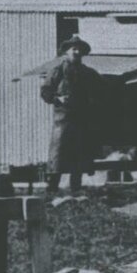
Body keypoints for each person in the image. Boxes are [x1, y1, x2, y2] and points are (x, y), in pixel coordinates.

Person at [39, 35, 100, 192]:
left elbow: (101, 87)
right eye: (74, 49)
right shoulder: (57, 70)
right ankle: (52, 189)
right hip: (63, 118)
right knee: (58, 153)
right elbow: (45, 91)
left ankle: (76, 189)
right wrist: (57, 98)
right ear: (67, 51)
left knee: (79, 153)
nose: (77, 52)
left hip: (81, 118)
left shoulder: (88, 72)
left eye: (80, 49)